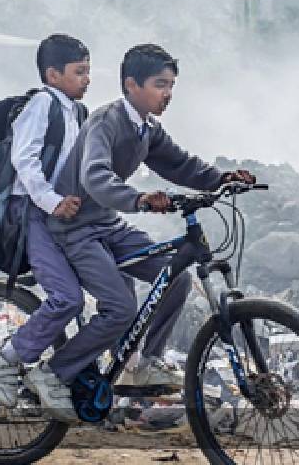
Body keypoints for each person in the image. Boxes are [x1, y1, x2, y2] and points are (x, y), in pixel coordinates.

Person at [44, 43, 255, 393]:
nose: (168, 93)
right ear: (131, 84)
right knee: (121, 307)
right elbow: (94, 177)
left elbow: (180, 164)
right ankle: (53, 373)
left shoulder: (146, 129)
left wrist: (222, 179)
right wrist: (139, 199)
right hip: (75, 229)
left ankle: (142, 365)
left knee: (175, 277)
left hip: (106, 225)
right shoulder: (105, 121)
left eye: (171, 85)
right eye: (160, 84)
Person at [0, 34, 90, 421]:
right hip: (34, 213)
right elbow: (25, 162)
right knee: (67, 299)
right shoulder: (42, 104)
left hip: (64, 215)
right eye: (79, 72)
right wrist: (52, 201)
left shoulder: (77, 113)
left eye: (88, 72)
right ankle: (9, 354)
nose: (87, 80)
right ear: (53, 74)